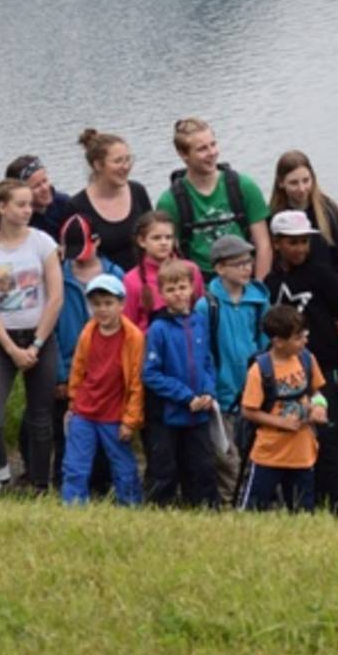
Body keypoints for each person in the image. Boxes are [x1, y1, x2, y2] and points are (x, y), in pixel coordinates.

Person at [0, 179, 63, 492]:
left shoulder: (42, 243)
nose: (28, 210)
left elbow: (55, 298)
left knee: (40, 417)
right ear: (1, 208)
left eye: (29, 205)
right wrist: (12, 349)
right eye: (21, 204)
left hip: (41, 337)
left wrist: (36, 343)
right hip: (2, 342)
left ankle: (40, 482)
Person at [265, 210, 338, 513]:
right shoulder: (271, 282)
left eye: (304, 242)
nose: (300, 249)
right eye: (293, 242)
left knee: (329, 437)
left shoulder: (322, 274)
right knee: (294, 433)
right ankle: (302, 502)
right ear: (277, 243)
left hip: (324, 370)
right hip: (286, 374)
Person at [196, 233, 270, 505]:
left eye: (248, 262)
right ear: (219, 268)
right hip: (222, 395)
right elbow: (202, 353)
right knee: (227, 459)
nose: (246, 268)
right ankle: (228, 507)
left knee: (254, 455)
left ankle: (251, 506)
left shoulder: (259, 300)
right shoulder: (207, 305)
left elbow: (265, 345)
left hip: (252, 394)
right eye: (238, 263)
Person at [141, 258, 219, 508]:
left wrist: (208, 391)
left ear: (193, 289)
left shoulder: (200, 322)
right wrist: (186, 396)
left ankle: (205, 510)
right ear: (161, 293)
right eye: (171, 289)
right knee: (164, 469)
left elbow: (207, 361)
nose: (178, 294)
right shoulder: (158, 329)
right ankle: (158, 509)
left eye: (182, 287)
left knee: (203, 466)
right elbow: (151, 373)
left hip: (199, 412)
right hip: (169, 413)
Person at [61, 274, 144, 506]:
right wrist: (73, 401)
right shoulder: (88, 332)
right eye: (96, 304)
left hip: (115, 415)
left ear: (121, 304)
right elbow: (78, 368)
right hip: (84, 411)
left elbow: (137, 383)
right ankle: (73, 505)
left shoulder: (133, 337)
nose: (102, 310)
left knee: (123, 466)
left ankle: (130, 505)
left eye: (108, 303)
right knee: (76, 464)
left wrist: (131, 420)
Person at [156, 117, 272, 281]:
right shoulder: (170, 202)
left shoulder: (244, 187)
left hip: (244, 277)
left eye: (213, 144)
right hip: (200, 284)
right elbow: (167, 256)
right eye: (202, 149)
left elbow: (263, 246)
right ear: (183, 154)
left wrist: (258, 290)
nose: (212, 153)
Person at [54, 215, 123, 488]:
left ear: (96, 242)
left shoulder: (115, 274)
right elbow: (52, 329)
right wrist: (61, 374)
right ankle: (65, 482)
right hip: (71, 362)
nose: (77, 259)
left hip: (107, 367)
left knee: (107, 428)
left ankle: (104, 484)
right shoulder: (58, 274)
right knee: (69, 430)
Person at [237, 304, 327, 512]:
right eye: (297, 338)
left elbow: (316, 391)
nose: (304, 341)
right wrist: (281, 422)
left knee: (302, 509)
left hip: (302, 452)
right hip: (269, 453)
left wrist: (320, 407)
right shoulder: (260, 369)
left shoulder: (306, 359)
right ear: (277, 341)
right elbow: (248, 410)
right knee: (254, 507)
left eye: (305, 335)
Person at [269, 151, 338, 295]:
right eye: (294, 183)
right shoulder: (274, 217)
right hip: (292, 294)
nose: (301, 189)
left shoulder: (330, 213)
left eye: (306, 180)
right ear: (281, 183)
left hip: (328, 293)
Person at [69, 129, 151, 272]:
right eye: (118, 161)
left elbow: (153, 235)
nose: (126, 167)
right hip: (106, 288)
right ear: (98, 165)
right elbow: (76, 260)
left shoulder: (138, 191)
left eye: (128, 159)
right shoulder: (77, 206)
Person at [123, 211, 204, 333]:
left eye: (168, 237)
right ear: (141, 241)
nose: (164, 242)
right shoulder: (131, 280)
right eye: (156, 238)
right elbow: (128, 325)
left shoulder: (191, 269)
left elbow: (201, 311)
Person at [5, 155, 73, 239]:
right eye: (36, 186)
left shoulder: (66, 204)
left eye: (45, 181)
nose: (44, 188)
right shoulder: (15, 219)